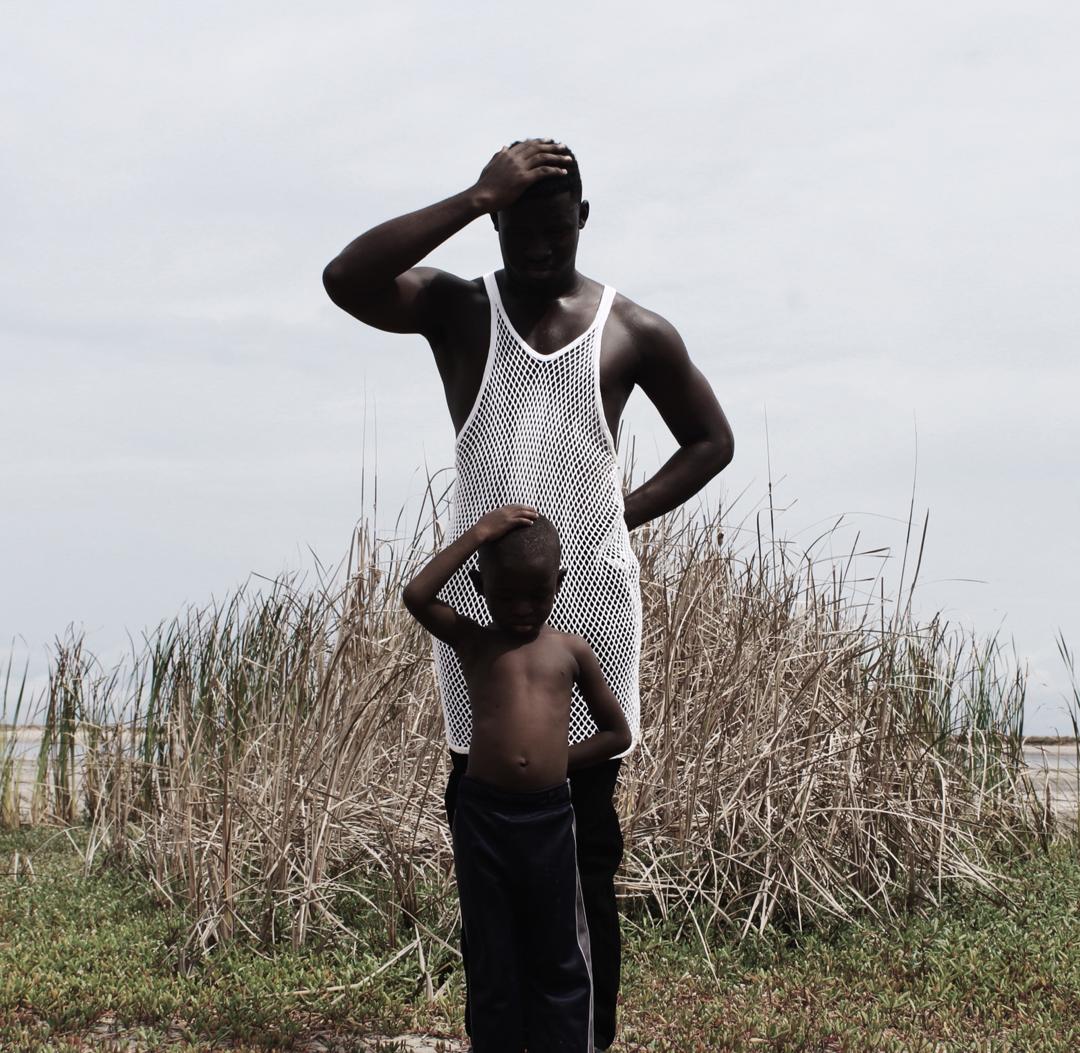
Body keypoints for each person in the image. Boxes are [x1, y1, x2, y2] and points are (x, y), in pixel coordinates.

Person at [323, 138, 734, 1050]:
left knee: (585, 852)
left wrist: (613, 513)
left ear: (583, 220)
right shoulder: (464, 314)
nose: (542, 251)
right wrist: (473, 194)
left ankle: (587, 1038)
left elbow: (711, 443)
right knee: (488, 834)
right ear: (498, 223)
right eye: (521, 230)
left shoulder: (633, 331)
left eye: (558, 232)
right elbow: (346, 278)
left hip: (592, 619)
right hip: (485, 628)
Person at [402, 503, 632, 1053]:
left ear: (560, 582)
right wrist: (480, 533)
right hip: (482, 816)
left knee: (560, 948)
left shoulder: (571, 651)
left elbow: (616, 734)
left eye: (537, 594)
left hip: (551, 817)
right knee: (491, 945)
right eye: (506, 596)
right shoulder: (477, 642)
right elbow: (416, 596)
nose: (523, 609)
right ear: (481, 586)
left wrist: (557, 760)